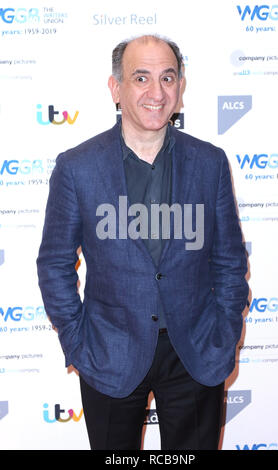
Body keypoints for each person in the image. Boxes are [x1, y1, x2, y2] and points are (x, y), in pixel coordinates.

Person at [37, 34, 249, 450]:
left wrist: (225, 333)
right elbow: (54, 264)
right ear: (116, 88)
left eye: (168, 78)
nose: (157, 92)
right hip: (109, 354)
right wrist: (78, 342)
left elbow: (229, 260)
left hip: (196, 353)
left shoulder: (209, 163)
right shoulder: (77, 168)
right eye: (141, 78)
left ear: (180, 87)